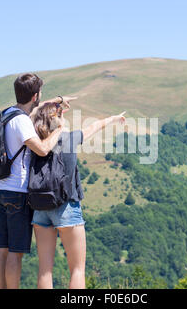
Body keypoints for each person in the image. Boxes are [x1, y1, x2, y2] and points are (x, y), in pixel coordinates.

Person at [30, 102, 126, 289]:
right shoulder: (69, 138)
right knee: (77, 269)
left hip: (40, 207)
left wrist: (48, 108)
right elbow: (94, 126)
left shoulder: (35, 142)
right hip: (67, 206)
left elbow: (32, 114)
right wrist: (114, 118)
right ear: (58, 121)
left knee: (44, 270)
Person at [0, 73, 76, 289]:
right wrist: (59, 130)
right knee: (15, 252)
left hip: (1, 190)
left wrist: (57, 101)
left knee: (2, 248)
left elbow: (35, 109)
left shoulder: (8, 114)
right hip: (18, 192)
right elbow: (42, 150)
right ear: (36, 95)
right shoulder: (22, 122)